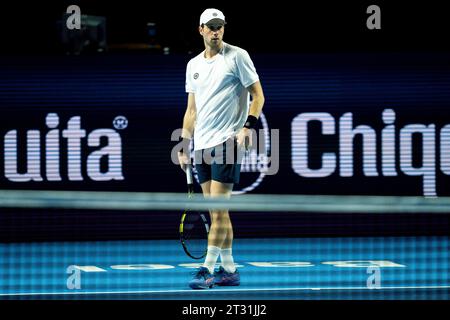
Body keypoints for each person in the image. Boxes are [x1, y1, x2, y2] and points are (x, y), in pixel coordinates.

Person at [178, 8, 265, 289]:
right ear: (200, 29)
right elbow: (191, 110)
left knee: (218, 210)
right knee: (219, 214)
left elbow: (258, 95)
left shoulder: (238, 56)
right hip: (201, 146)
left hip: (227, 141)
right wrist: (184, 144)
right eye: (211, 26)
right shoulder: (193, 66)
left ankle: (207, 268)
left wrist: (247, 126)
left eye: (220, 26)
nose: (216, 31)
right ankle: (229, 269)